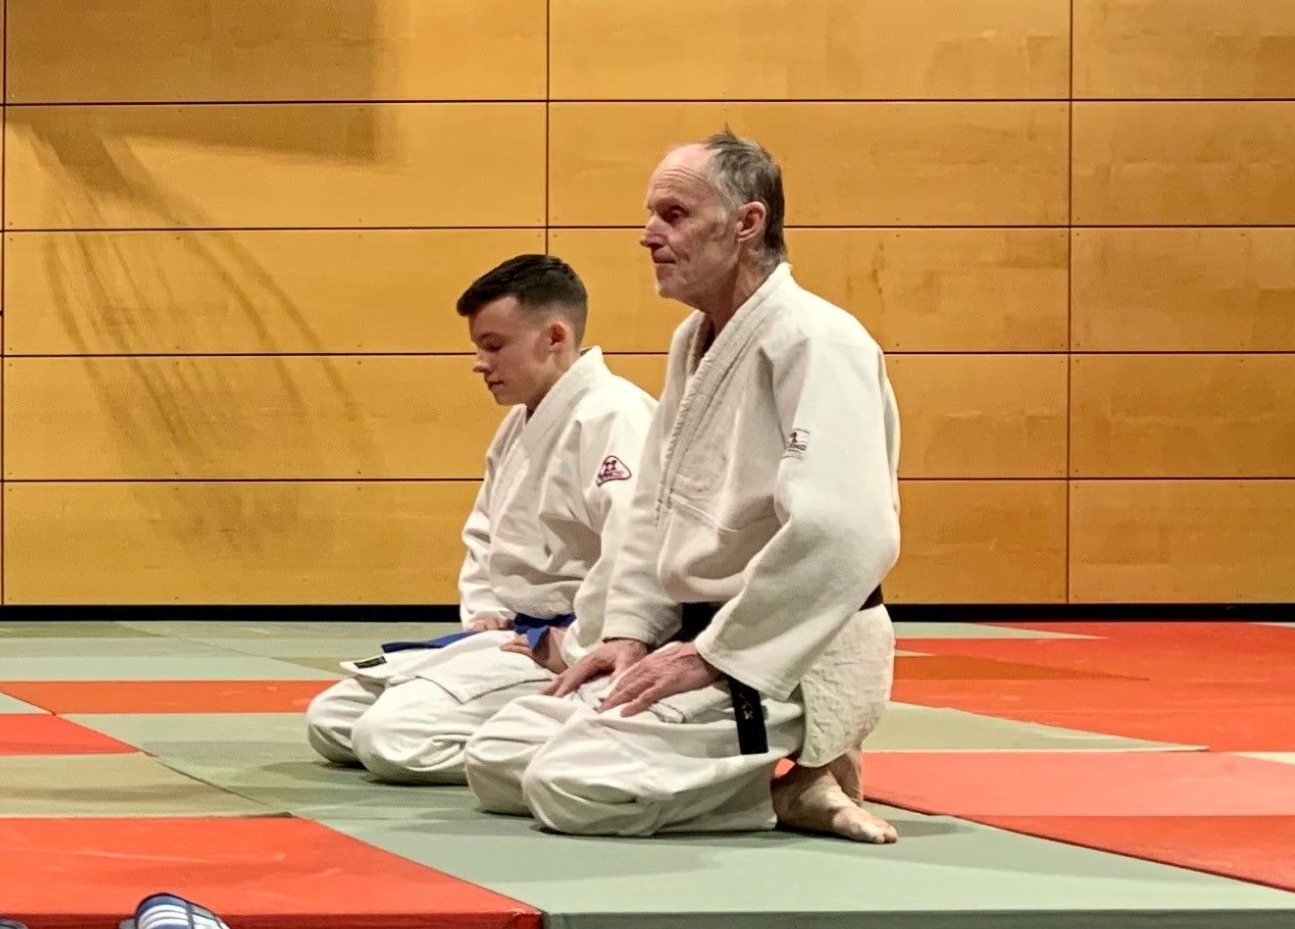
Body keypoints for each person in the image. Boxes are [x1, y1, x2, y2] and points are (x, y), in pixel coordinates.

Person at [464, 132, 903, 843]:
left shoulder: (818, 341)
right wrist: (630, 630)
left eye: (673, 215)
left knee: (567, 786)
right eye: (651, 214)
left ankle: (795, 778)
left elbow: (847, 532)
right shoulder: (694, 340)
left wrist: (717, 655)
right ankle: (776, 781)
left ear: (747, 223)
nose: (648, 235)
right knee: (497, 757)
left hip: (781, 651)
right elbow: (654, 504)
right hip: (690, 637)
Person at [303, 255, 652, 782]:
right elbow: (485, 533)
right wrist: (485, 612)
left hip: (571, 646)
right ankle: (517, 733)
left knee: (390, 739)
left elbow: (636, 547)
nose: (479, 363)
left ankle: (589, 749)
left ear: (554, 337)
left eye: (493, 346)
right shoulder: (520, 422)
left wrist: (581, 643)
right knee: (332, 720)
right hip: (514, 635)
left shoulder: (615, 415)